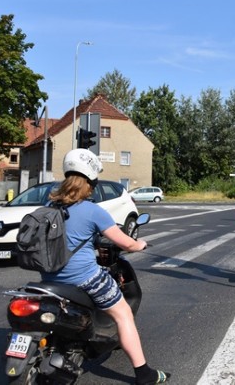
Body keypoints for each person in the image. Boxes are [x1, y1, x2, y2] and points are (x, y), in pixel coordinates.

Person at [43, 149, 170, 384]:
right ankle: (144, 374)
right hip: (84, 279)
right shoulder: (92, 210)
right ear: (91, 182)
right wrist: (139, 244)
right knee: (123, 314)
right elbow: (126, 243)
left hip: (49, 280)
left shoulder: (50, 208)